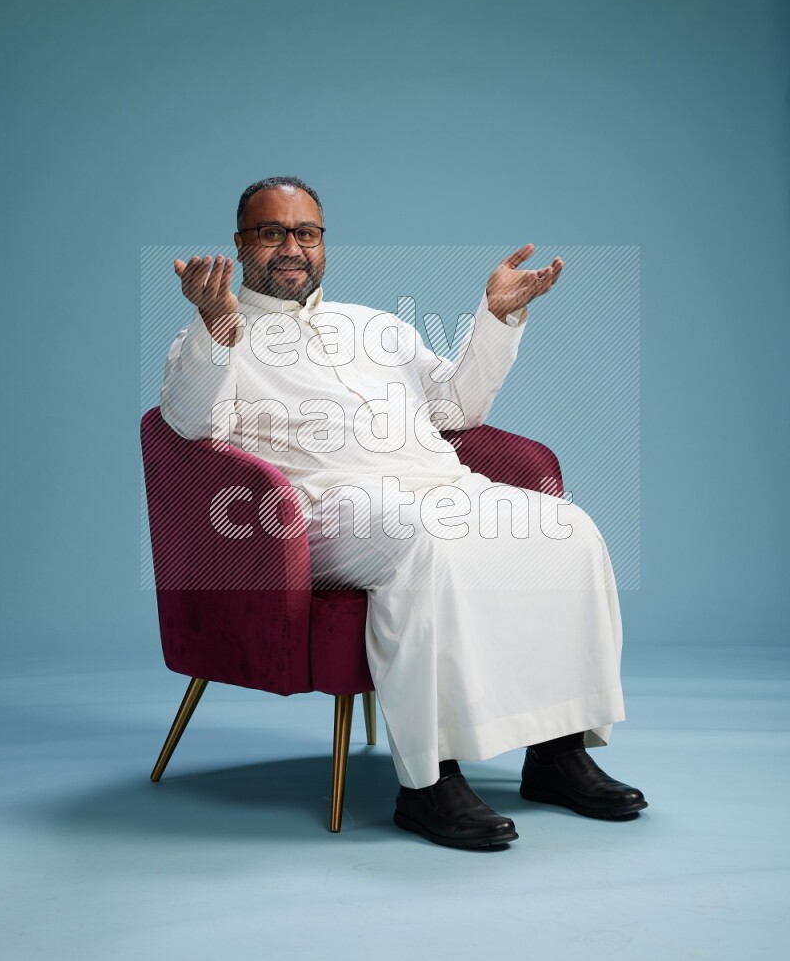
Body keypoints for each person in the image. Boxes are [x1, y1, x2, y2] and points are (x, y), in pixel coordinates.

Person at [160, 174, 647, 850]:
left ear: (323, 243)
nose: (291, 247)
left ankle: (557, 753)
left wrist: (496, 318)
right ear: (241, 245)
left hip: (437, 486)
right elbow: (186, 424)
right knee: (423, 542)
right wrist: (214, 326)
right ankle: (428, 784)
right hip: (320, 512)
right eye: (273, 232)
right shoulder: (214, 339)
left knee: (570, 530)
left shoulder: (376, 327)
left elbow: (456, 409)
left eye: (306, 232)